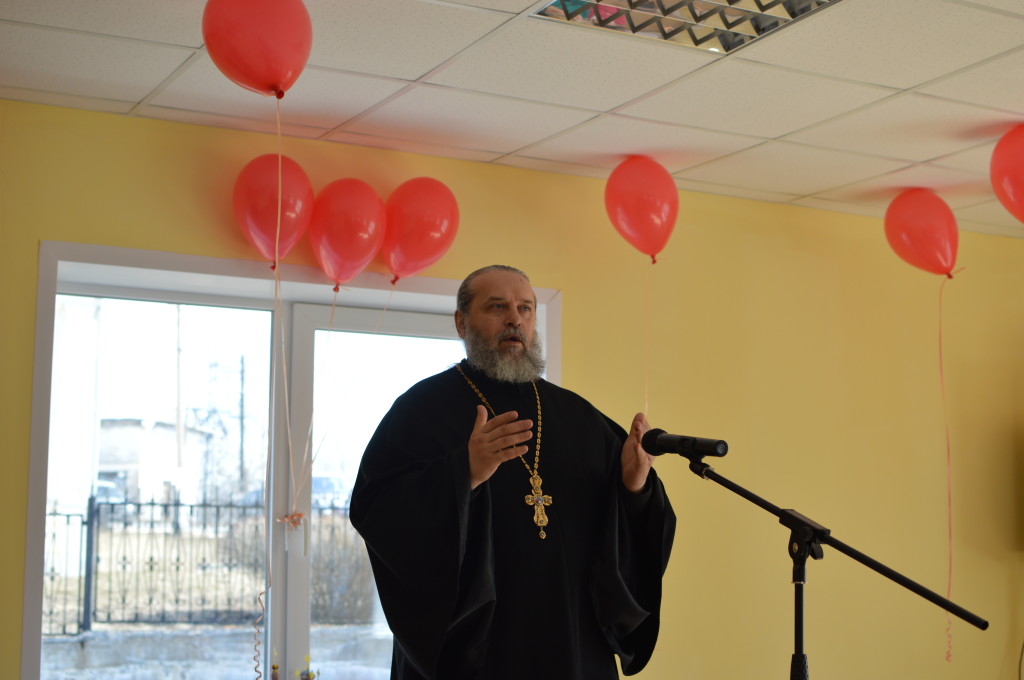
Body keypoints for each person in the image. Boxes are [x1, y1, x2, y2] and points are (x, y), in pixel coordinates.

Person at [350, 265, 675, 680]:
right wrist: (462, 472)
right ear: (461, 322)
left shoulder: (578, 416)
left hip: (571, 643)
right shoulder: (420, 410)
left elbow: (631, 540)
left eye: (526, 308)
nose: (515, 320)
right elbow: (378, 512)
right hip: (477, 652)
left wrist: (633, 485)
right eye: (497, 307)